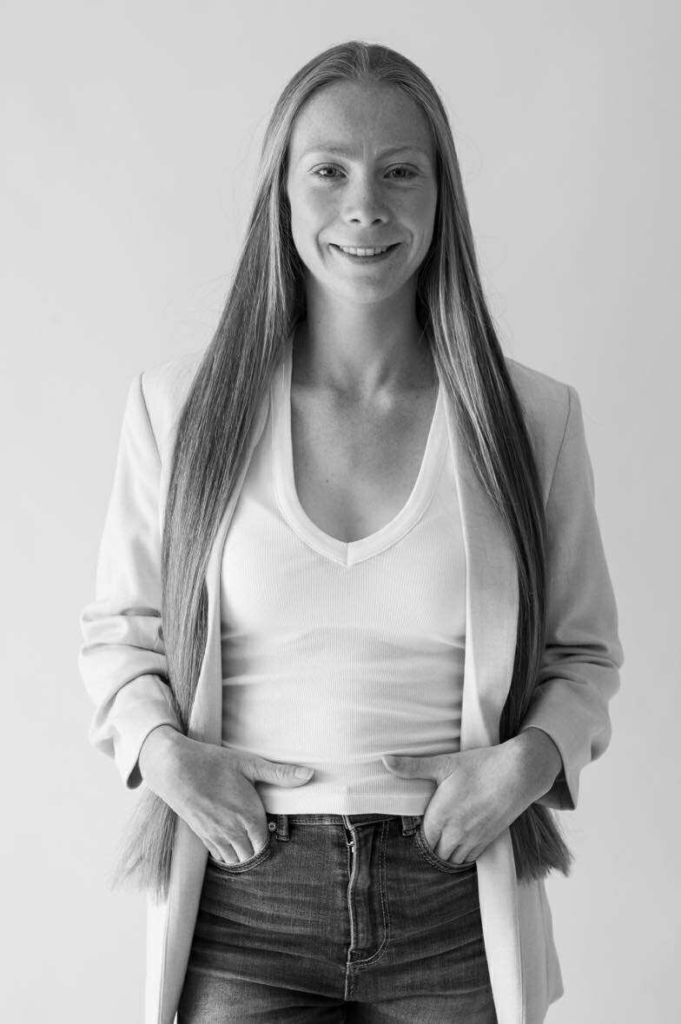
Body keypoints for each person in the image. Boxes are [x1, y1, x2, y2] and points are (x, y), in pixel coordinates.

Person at [78, 40, 623, 1024]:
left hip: (454, 891)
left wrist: (529, 762)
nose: (365, 205)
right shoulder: (180, 409)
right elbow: (121, 635)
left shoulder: (531, 418)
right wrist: (162, 753)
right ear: (281, 195)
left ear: (440, 197)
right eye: (329, 170)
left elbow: (581, 655)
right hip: (243, 895)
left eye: (399, 171)